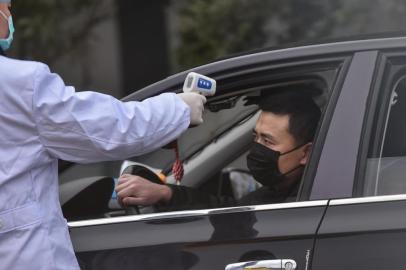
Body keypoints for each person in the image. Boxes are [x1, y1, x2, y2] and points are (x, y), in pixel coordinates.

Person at [0, 1, 206, 270]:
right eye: (7, 7)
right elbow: (109, 130)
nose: (9, 16)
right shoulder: (19, 82)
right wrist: (179, 109)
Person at [116, 90, 321, 210]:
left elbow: (237, 220)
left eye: (268, 141)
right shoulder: (278, 191)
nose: (257, 148)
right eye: (255, 137)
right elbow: (230, 210)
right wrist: (164, 192)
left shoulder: (307, 201)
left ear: (305, 153)